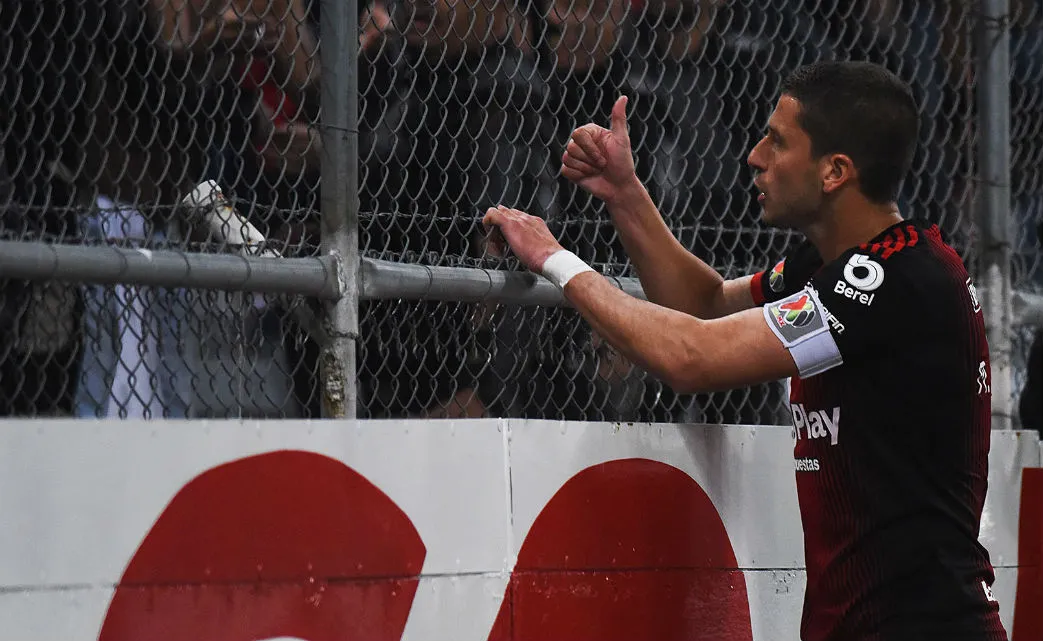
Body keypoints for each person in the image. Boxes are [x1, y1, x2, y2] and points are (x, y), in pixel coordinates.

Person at [483, 61, 1007, 641]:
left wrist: (554, 259)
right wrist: (626, 195)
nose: (755, 156)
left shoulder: (896, 279)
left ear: (835, 171)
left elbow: (691, 357)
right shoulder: (836, 266)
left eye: (777, 142)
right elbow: (704, 306)